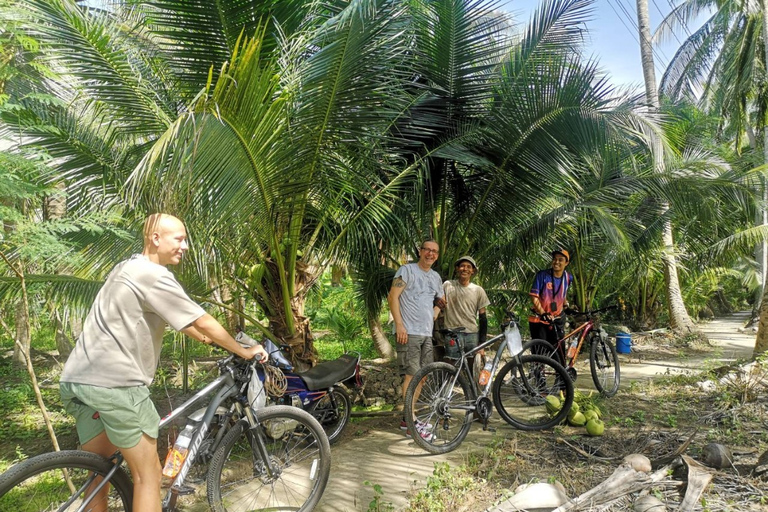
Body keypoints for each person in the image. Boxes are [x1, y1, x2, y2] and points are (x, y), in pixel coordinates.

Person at [59, 213, 268, 512]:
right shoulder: (154, 275)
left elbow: (185, 323)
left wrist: (208, 340)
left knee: (99, 474)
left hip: (79, 380)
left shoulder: (126, 267)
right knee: (149, 476)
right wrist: (243, 350)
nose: (185, 246)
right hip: (117, 384)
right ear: (155, 238)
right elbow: (203, 320)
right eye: (179, 239)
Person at [387, 239, 445, 437]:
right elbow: (392, 296)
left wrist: (435, 311)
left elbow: (442, 300)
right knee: (412, 375)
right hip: (408, 332)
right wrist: (400, 325)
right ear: (420, 251)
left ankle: (408, 419)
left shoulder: (436, 277)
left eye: (434, 251)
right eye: (427, 250)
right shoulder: (406, 271)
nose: (430, 254)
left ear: (437, 255)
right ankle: (411, 422)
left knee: (423, 376)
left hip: (426, 333)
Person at [441, 256, 490, 371]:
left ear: (472, 271)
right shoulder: (448, 285)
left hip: (471, 334)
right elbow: (438, 303)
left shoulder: (478, 290)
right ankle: (447, 387)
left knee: (473, 366)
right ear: (457, 269)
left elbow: (483, 317)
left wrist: (482, 343)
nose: (465, 269)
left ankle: (472, 388)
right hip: (452, 333)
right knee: (450, 365)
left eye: (469, 267)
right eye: (462, 266)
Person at [529, 249, 574, 365]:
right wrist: (543, 313)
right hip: (539, 320)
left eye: (560, 260)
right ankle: (539, 379)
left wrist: (566, 305)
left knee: (559, 353)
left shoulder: (568, 278)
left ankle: (561, 380)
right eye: (554, 259)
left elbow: (563, 293)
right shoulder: (542, 276)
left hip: (556, 319)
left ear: (566, 263)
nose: (556, 262)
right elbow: (534, 297)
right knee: (539, 353)